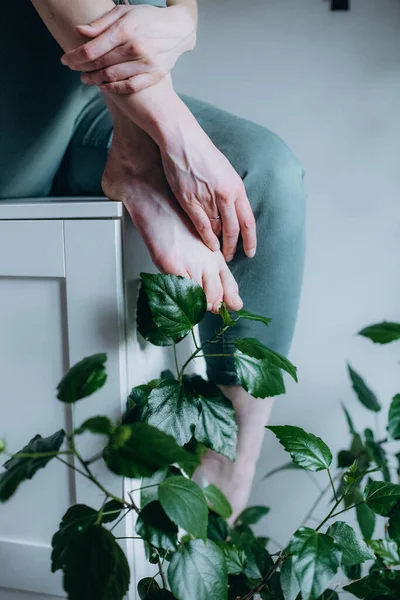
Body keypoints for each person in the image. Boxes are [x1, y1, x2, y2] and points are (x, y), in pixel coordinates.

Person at [0, 0, 306, 517]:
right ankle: (138, 153)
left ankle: (230, 466)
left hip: (81, 98)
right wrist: (171, 132)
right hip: (18, 93)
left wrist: (182, 23)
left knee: (264, 177)